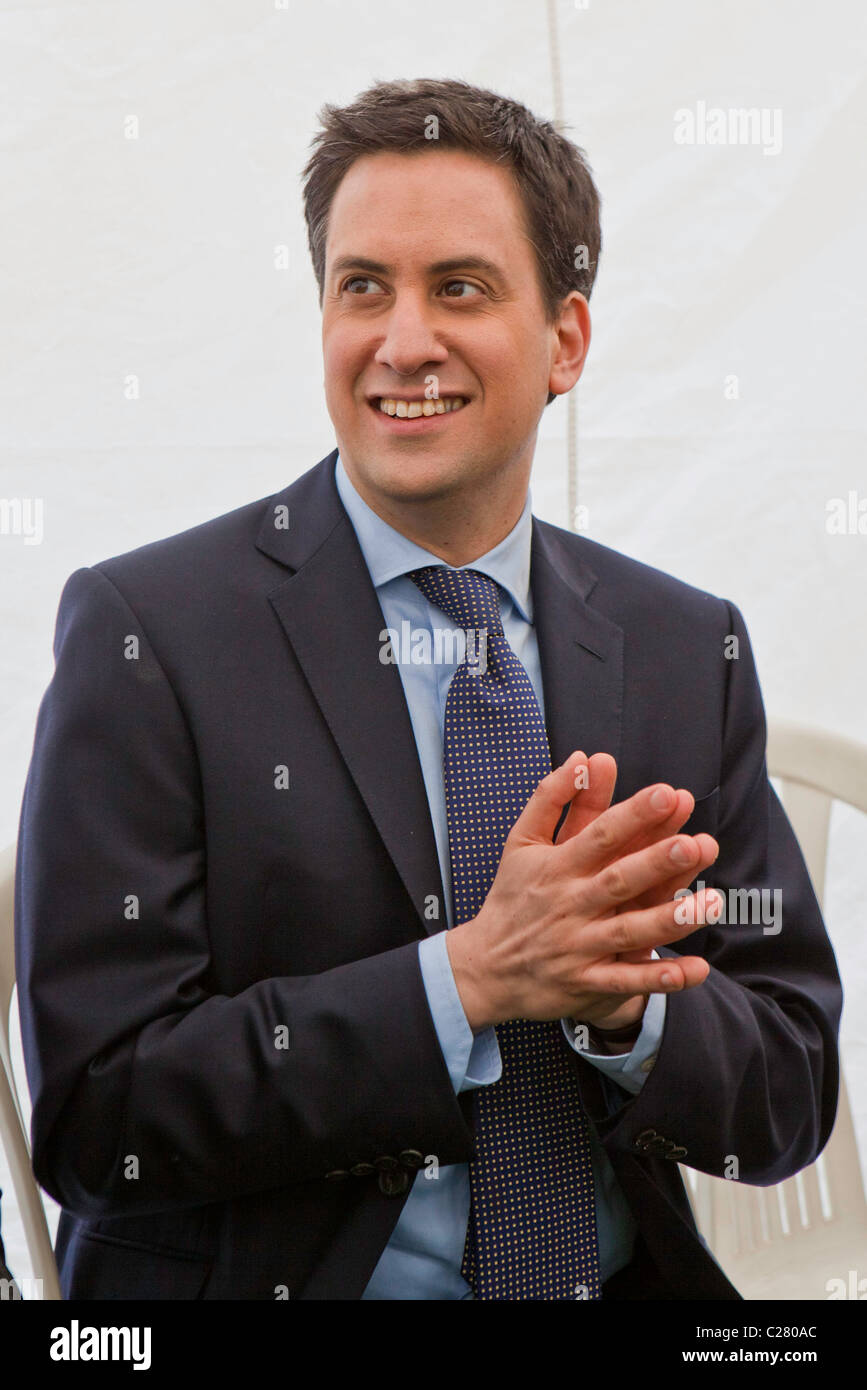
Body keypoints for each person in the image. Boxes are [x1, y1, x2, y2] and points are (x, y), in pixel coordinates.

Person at [14, 78, 842, 1300]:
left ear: (566, 341)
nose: (403, 341)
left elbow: (791, 1088)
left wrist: (629, 1010)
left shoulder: (683, 643)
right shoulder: (150, 635)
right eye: (363, 288)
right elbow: (96, 1117)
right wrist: (465, 982)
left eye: (458, 287)